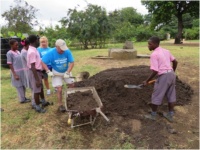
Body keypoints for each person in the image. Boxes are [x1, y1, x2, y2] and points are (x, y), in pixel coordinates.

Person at [143, 36, 178, 122]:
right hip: (171, 75)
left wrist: (146, 81)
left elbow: (155, 70)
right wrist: (172, 71)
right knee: (171, 95)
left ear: (155, 44)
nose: (148, 46)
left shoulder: (154, 54)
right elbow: (175, 61)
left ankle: (153, 115)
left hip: (164, 76)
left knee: (156, 95)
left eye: (150, 44)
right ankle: (170, 115)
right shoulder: (166, 51)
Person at [41, 39, 75, 112]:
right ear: (56, 47)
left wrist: (68, 72)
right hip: (56, 72)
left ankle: (72, 100)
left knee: (72, 85)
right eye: (61, 49)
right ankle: (60, 105)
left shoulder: (67, 51)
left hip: (66, 71)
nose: (63, 51)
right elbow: (43, 62)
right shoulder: (50, 53)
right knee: (59, 89)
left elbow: (72, 62)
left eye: (64, 49)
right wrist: (48, 71)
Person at [27, 35, 48, 113]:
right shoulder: (31, 51)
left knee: (41, 88)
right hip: (34, 72)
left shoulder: (34, 49)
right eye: (37, 39)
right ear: (35, 40)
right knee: (36, 90)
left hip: (38, 71)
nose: (38, 41)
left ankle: (43, 102)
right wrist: (36, 79)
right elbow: (32, 66)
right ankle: (38, 107)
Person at [6, 39, 31, 103]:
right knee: (19, 85)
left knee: (23, 84)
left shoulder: (18, 52)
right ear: (11, 45)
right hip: (16, 71)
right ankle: (22, 99)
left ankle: (24, 97)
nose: (17, 46)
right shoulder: (9, 53)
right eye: (15, 45)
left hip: (22, 71)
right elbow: (10, 64)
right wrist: (14, 74)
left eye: (18, 45)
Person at [20, 39, 36, 108]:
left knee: (33, 87)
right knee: (33, 87)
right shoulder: (25, 52)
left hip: (28, 70)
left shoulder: (24, 51)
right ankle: (34, 102)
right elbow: (30, 61)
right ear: (27, 45)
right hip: (29, 70)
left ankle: (35, 100)